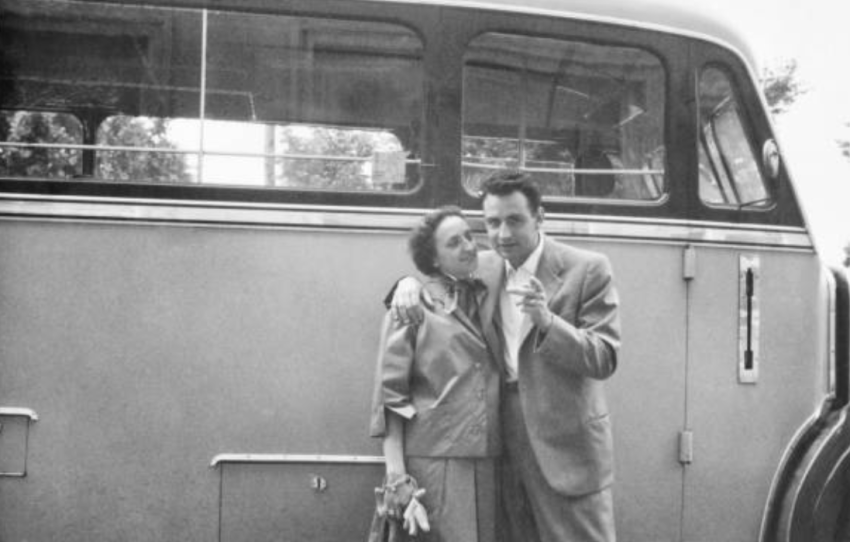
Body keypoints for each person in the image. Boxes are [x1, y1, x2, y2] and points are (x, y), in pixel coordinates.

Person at [390, 171, 621, 542]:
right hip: (501, 441)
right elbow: (438, 271)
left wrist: (547, 322)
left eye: (515, 220)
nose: (503, 234)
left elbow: (604, 357)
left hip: (566, 446)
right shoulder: (484, 266)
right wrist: (407, 285)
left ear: (539, 217)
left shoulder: (588, 268)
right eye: (493, 223)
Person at [369, 206, 501, 542]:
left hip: (488, 461)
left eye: (469, 236)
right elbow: (390, 400)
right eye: (453, 243)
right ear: (434, 259)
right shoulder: (411, 307)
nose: (468, 246)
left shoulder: (485, 294)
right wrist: (397, 478)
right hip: (435, 464)